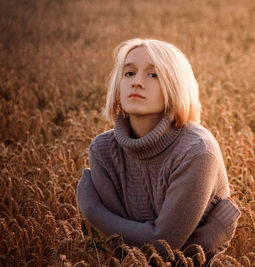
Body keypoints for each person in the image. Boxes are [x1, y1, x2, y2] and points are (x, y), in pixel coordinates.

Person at [76, 38, 240, 263]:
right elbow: (122, 249)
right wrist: (210, 237)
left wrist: (92, 210)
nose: (137, 82)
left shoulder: (197, 152)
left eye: (153, 75)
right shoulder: (102, 150)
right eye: (129, 73)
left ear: (176, 85)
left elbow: (159, 248)